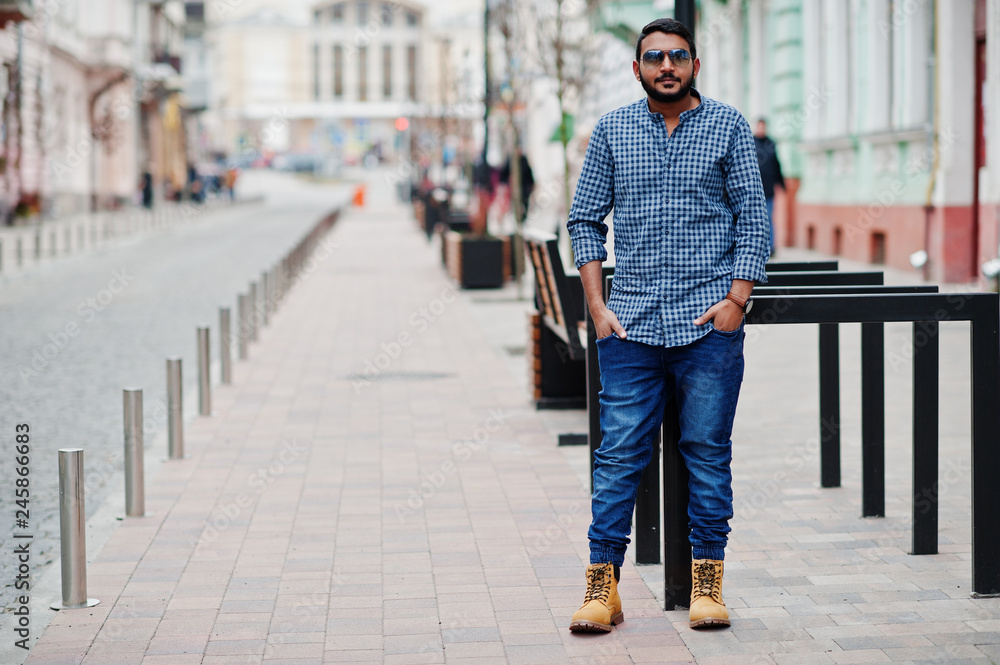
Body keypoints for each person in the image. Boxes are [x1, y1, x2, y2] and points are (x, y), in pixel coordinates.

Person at [566, 17, 769, 633]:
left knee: (707, 455)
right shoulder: (612, 130)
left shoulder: (728, 127)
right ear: (638, 69)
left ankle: (708, 584)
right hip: (629, 328)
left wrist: (738, 299)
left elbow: (752, 222)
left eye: (678, 56)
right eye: (654, 57)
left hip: (707, 327)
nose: (666, 66)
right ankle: (603, 589)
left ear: (694, 65)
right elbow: (583, 221)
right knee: (618, 456)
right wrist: (599, 309)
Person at [753, 118, 785, 255]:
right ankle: (756, 248)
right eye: (759, 127)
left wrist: (781, 183)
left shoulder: (770, 143)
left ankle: (771, 247)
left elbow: (776, 165)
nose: (761, 129)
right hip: (753, 190)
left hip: (768, 189)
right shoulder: (750, 141)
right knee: (754, 219)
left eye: (763, 127)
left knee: (769, 219)